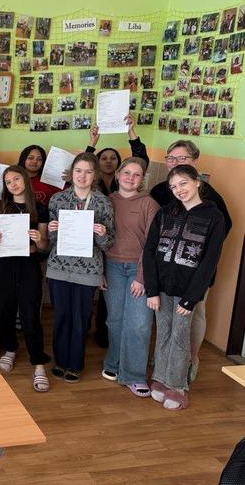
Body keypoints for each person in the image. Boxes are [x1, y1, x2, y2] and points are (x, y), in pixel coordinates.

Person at [143, 165, 225, 410]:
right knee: (163, 332)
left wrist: (191, 298)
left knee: (180, 336)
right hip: (161, 287)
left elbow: (210, 261)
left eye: (183, 183)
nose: (179, 190)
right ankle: (160, 378)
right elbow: (150, 251)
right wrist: (152, 290)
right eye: (173, 187)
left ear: (197, 182)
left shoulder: (214, 216)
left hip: (187, 291)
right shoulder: (165, 213)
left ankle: (177, 385)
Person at [149, 140, 231, 381]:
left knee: (191, 319)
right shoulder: (160, 191)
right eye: (170, 158)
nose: (174, 162)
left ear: (195, 163)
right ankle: (164, 365)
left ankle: (189, 362)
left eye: (181, 158)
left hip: (194, 274)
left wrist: (193, 253)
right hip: (165, 272)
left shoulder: (211, 200)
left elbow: (220, 234)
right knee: (166, 323)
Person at [47, 153, 115, 383]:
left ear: (95, 175)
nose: (82, 176)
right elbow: (52, 241)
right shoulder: (57, 199)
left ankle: (75, 364)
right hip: (59, 267)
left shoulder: (103, 202)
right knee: (61, 316)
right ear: (71, 172)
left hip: (88, 270)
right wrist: (52, 230)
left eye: (88, 171)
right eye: (78, 170)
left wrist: (103, 234)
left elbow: (108, 244)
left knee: (81, 318)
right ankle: (60, 361)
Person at [84, 115, 149, 348]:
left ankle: (112, 340)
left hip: (128, 253)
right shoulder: (93, 185)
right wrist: (92, 143)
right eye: (104, 158)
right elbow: (83, 165)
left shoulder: (128, 185)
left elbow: (140, 160)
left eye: (113, 158)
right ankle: (103, 335)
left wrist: (131, 132)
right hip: (102, 247)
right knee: (107, 299)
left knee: (118, 303)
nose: (109, 161)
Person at [0, 166, 51, 392]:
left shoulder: (39, 208)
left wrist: (38, 239)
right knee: (4, 311)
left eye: (16, 179)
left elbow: (44, 246)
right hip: (3, 265)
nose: (13, 184)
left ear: (25, 179)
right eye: (8, 182)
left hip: (28, 266)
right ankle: (10, 348)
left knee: (30, 315)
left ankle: (38, 364)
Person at [101, 158, 159, 398]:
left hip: (138, 269)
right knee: (115, 320)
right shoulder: (106, 201)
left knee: (139, 323)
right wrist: (100, 271)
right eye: (126, 172)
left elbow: (153, 244)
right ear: (117, 174)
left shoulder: (149, 204)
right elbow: (96, 239)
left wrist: (142, 277)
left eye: (137, 174)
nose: (131, 178)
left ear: (142, 179)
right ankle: (113, 363)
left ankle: (134, 375)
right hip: (111, 266)